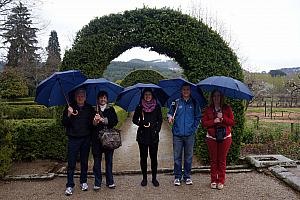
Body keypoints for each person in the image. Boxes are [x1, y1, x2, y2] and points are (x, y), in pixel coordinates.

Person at [167, 83, 201, 186]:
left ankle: (187, 176)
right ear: (181, 91)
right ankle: (177, 177)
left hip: (190, 135)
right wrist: (169, 117)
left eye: (187, 89)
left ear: (190, 91)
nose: (186, 91)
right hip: (177, 134)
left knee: (188, 157)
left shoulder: (194, 102)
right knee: (177, 157)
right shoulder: (176, 102)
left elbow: (198, 117)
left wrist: (194, 129)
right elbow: (169, 113)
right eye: (184, 89)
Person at [62, 88, 94, 196]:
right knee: (71, 163)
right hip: (73, 139)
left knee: (84, 162)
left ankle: (83, 181)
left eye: (82, 95)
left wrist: (95, 121)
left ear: (85, 97)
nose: (80, 97)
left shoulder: (89, 108)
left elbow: (92, 125)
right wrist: (69, 114)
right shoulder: (69, 107)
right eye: (79, 96)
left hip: (85, 139)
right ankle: (70, 185)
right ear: (76, 97)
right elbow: (64, 123)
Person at [202, 90, 235, 190]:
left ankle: (221, 180)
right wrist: (214, 121)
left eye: (218, 96)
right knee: (213, 160)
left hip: (225, 138)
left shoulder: (227, 108)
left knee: (222, 160)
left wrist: (223, 118)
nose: (216, 98)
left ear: (221, 97)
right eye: (214, 96)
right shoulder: (208, 109)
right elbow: (204, 123)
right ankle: (213, 180)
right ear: (212, 97)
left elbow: (232, 122)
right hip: (212, 138)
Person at [132, 88, 163, 187]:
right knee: (143, 157)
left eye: (149, 94)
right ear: (143, 96)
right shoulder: (139, 107)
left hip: (153, 135)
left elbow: (160, 120)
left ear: (152, 96)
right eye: (145, 94)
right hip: (142, 135)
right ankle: (144, 178)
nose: (147, 96)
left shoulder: (157, 107)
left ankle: (154, 178)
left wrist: (156, 130)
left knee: (154, 158)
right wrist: (141, 123)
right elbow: (134, 119)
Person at [92, 91, 119, 190]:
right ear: (98, 99)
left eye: (104, 98)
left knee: (109, 161)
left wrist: (104, 120)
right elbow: (90, 125)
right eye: (101, 98)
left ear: (107, 99)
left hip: (109, 139)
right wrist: (95, 121)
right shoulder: (94, 109)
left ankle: (110, 181)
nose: (103, 99)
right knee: (97, 162)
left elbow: (115, 121)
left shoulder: (110, 109)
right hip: (96, 140)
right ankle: (97, 182)